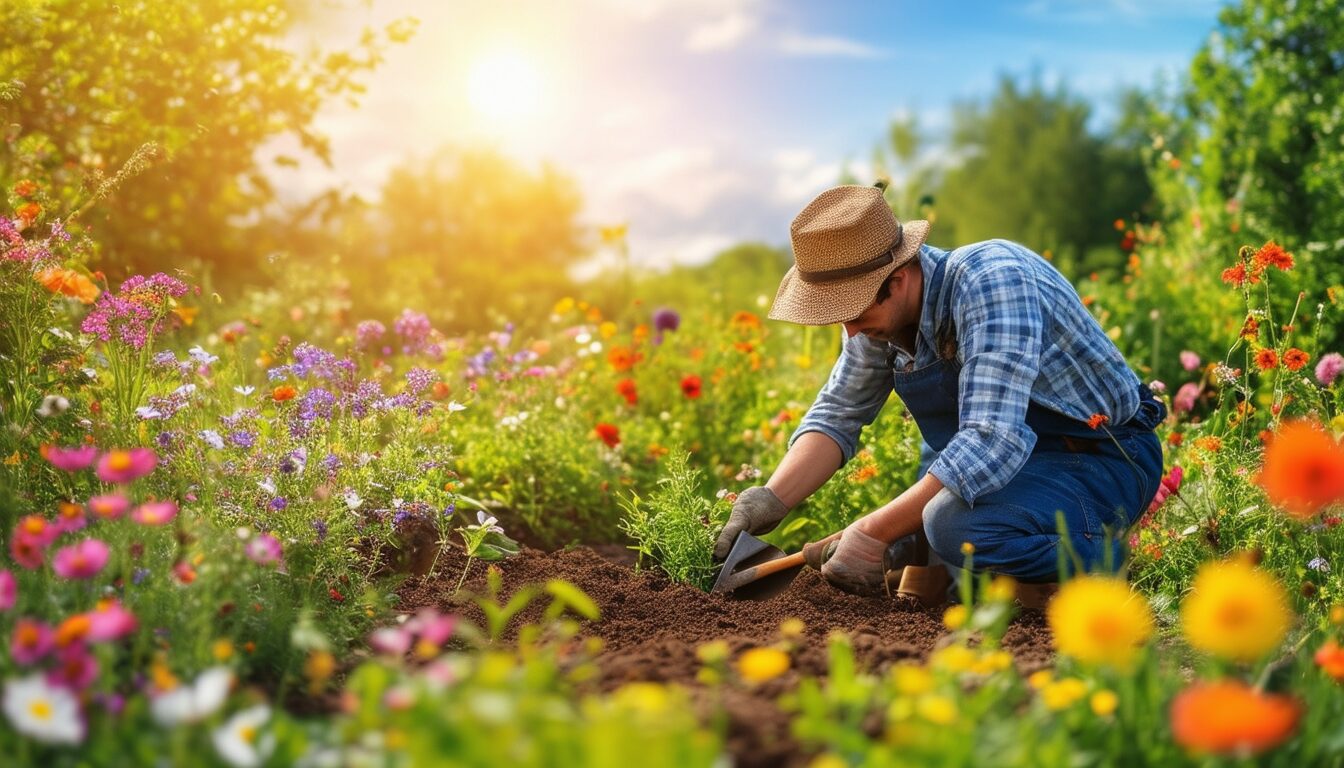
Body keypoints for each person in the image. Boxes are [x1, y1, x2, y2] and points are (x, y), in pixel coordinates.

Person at [713, 183, 1165, 601]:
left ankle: (1110, 567)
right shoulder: (877, 322)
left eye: (854, 309)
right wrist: (771, 499)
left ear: (900, 276)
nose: (848, 329)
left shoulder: (993, 281)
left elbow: (991, 438)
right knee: (913, 529)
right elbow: (838, 414)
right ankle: (981, 577)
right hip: (1020, 468)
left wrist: (872, 532)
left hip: (1100, 458)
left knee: (948, 524)